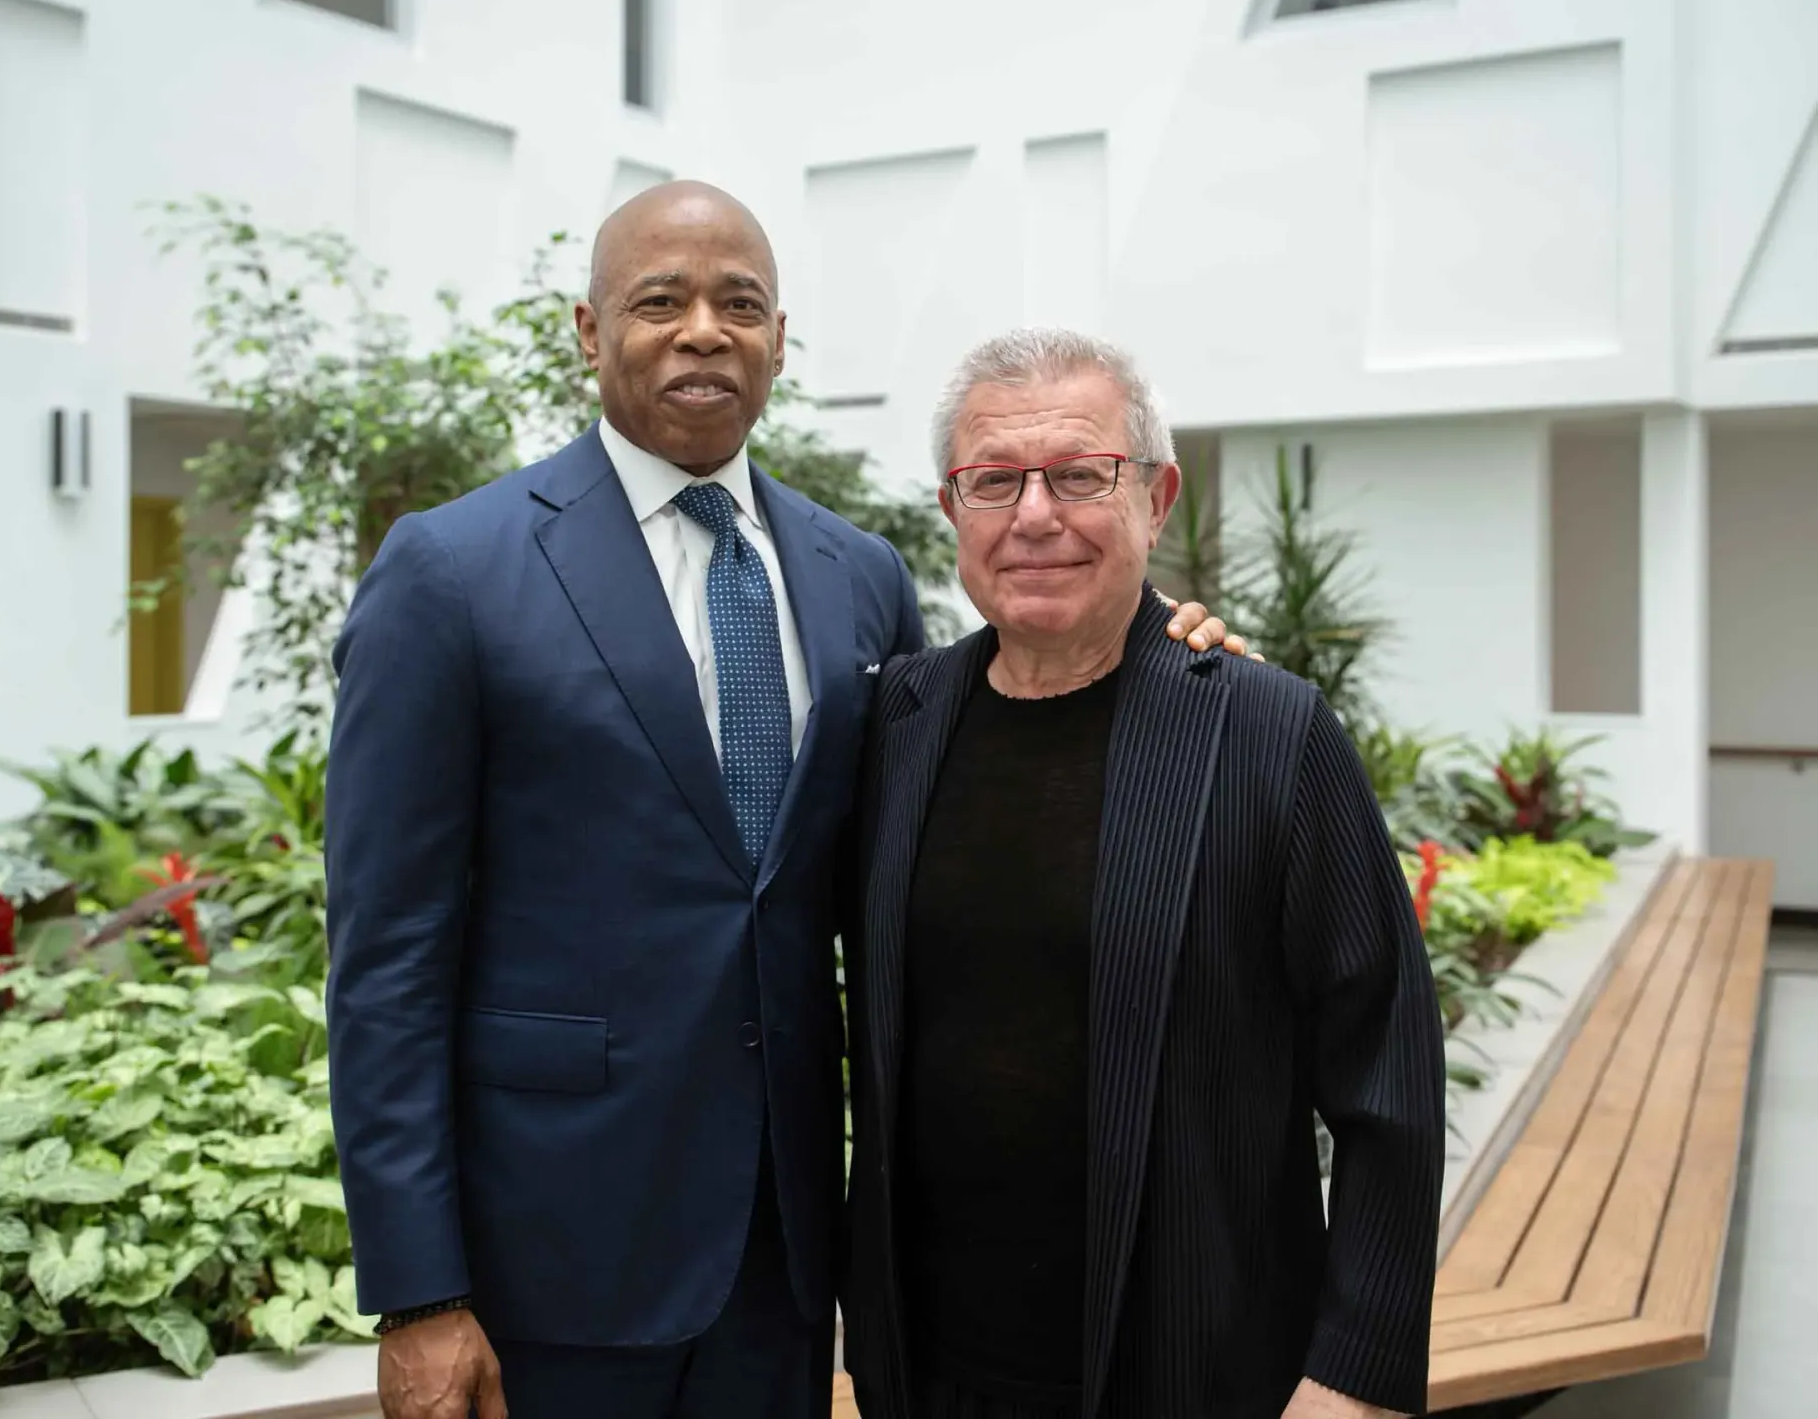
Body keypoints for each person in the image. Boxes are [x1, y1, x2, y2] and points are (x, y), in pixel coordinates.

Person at [323, 183, 1243, 1419]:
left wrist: (1161, 656)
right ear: (590, 332)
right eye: (661, 301)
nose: (704, 329)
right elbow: (385, 959)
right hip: (549, 1261)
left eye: (738, 304)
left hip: (789, 1261)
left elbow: (962, 798)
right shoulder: (451, 573)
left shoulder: (857, 575)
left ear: (778, 339)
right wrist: (419, 1291)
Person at [841, 329, 1447, 1419]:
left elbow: (1387, 1075)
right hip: (931, 1369)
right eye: (993, 482)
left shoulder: (1268, 732)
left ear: (1155, 499)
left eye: (1080, 474)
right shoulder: (897, 721)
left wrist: (1356, 1372)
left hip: (1198, 1360)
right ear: (951, 512)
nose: (1035, 515)